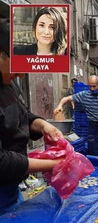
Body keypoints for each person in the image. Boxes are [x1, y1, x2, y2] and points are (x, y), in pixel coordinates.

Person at [0, 23, 63, 214]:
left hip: (12, 189)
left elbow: (23, 115)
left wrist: (43, 125)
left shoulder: (8, 85)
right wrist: (54, 165)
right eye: (17, 66)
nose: (20, 73)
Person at [54, 75, 98, 156]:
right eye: (90, 86)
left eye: (94, 86)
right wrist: (60, 106)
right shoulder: (84, 95)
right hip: (94, 129)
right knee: (94, 154)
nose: (92, 89)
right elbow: (66, 99)